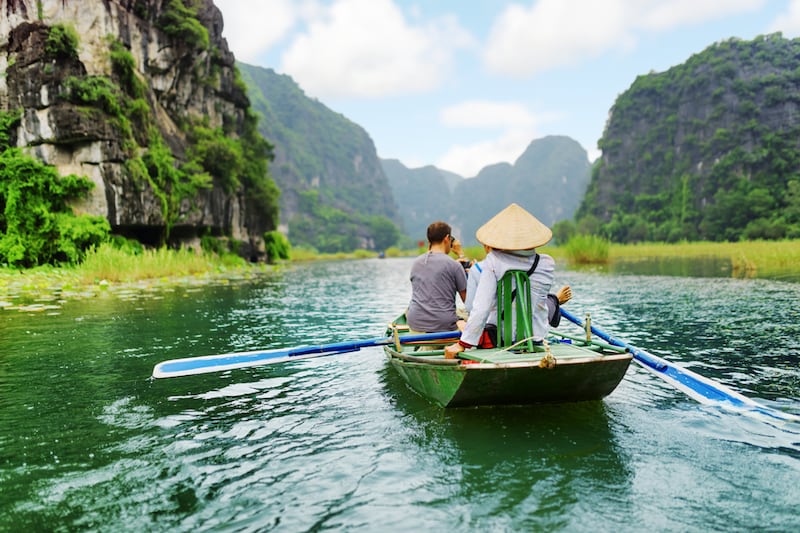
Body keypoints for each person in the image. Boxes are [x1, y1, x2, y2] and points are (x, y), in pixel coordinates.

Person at [445, 203, 557, 358]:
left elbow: (481, 307)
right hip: (537, 338)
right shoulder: (547, 263)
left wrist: (463, 344)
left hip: (501, 339)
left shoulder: (493, 261)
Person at [406, 221, 468, 333]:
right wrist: (461, 254)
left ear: (429, 241)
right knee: (467, 316)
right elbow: (468, 302)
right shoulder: (454, 265)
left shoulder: (416, 263)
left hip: (415, 323)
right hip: (444, 326)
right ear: (447, 238)